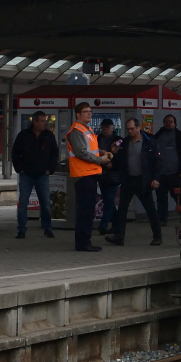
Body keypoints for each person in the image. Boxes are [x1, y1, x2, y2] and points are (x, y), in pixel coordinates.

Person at [107, 118, 163, 246]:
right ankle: (119, 236)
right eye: (128, 129)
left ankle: (157, 236)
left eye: (132, 128)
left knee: (150, 210)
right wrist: (114, 154)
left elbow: (157, 162)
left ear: (138, 128)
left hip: (143, 180)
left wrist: (156, 178)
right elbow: (119, 163)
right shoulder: (125, 143)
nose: (130, 131)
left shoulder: (149, 142)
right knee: (122, 209)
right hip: (128, 179)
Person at [66, 103, 111, 252]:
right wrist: (100, 160)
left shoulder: (87, 129)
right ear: (78, 114)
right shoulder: (77, 130)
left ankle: (85, 241)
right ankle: (83, 242)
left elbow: (90, 149)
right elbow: (81, 152)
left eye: (90, 112)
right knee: (85, 211)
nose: (89, 114)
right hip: (83, 174)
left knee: (88, 210)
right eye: (85, 112)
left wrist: (102, 152)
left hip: (89, 174)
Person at [11, 111, 59, 238]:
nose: (45, 123)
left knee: (46, 203)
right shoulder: (24, 135)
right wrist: (19, 168)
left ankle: (47, 227)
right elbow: (15, 152)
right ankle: (21, 229)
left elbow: (55, 153)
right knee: (23, 203)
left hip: (42, 174)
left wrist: (50, 169)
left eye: (45, 121)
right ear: (35, 121)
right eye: (42, 121)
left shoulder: (48, 135)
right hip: (26, 174)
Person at [153, 114, 181, 228]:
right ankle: (162, 219)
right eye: (166, 121)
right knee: (161, 198)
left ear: (175, 123)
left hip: (175, 173)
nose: (168, 123)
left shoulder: (180, 136)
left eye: (171, 121)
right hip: (161, 174)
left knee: (179, 196)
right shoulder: (158, 135)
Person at [96, 119, 123, 237]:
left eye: (108, 127)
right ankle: (117, 224)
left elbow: (122, 157)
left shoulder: (118, 140)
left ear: (112, 128)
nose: (105, 129)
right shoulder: (97, 139)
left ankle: (103, 225)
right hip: (101, 175)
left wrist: (113, 165)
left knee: (108, 200)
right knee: (109, 201)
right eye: (104, 127)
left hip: (113, 176)